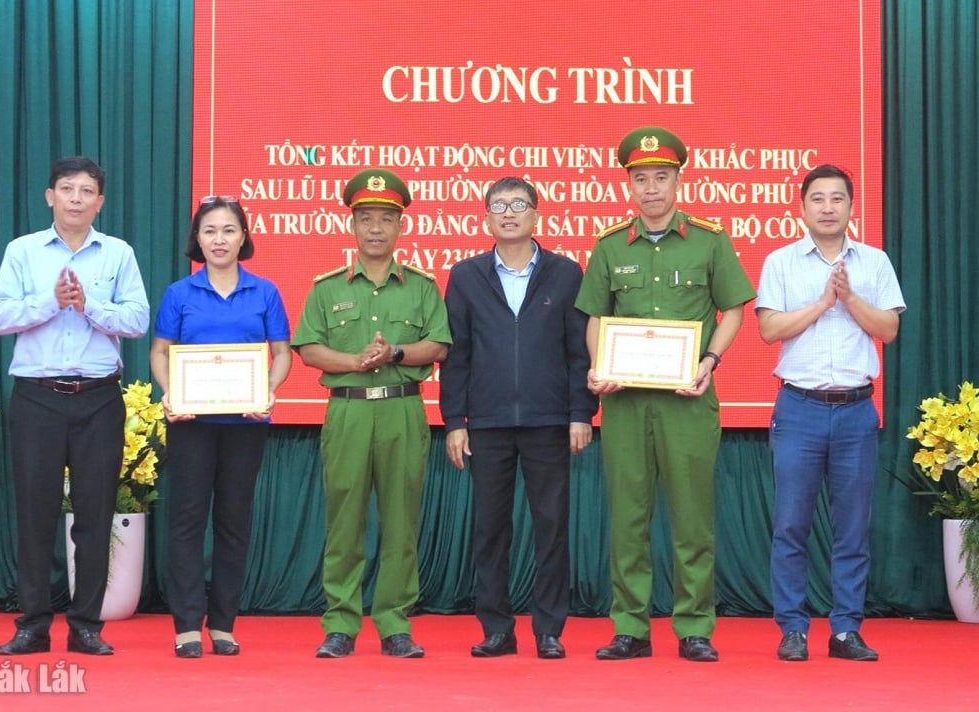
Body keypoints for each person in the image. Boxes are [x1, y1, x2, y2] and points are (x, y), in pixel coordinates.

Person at [575, 127, 756, 663]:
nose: (650, 188)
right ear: (628, 184)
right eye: (640, 178)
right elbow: (594, 317)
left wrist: (708, 362)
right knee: (628, 516)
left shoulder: (709, 239)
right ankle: (629, 626)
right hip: (626, 402)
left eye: (661, 176)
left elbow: (734, 310)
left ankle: (694, 626)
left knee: (692, 516)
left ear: (678, 179)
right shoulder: (609, 245)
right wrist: (598, 366)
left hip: (688, 396)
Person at [0, 156, 150, 656]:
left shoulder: (118, 254)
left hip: (98, 399)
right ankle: (33, 624)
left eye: (86, 191)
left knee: (95, 516)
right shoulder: (23, 252)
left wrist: (88, 307)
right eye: (67, 189)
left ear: (100, 202)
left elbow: (138, 320)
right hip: (37, 398)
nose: (76, 198)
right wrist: (50, 302)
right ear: (49, 196)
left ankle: (85, 625)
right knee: (35, 514)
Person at [292, 168, 451, 659]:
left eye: (386, 218)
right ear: (353, 226)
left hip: (403, 412)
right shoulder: (327, 288)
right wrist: (355, 362)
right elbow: (309, 349)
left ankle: (394, 623)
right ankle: (340, 623)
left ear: (401, 226)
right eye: (366, 219)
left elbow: (440, 345)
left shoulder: (421, 286)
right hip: (349, 414)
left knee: (401, 522)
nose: (376, 228)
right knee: (344, 521)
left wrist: (395, 354)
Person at [440, 176, 597, 660]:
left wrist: (580, 414)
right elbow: (457, 355)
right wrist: (454, 421)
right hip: (485, 422)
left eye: (519, 204)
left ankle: (549, 629)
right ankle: (496, 628)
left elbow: (577, 353)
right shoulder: (465, 276)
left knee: (551, 527)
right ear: (486, 216)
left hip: (549, 420)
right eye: (499, 205)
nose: (509, 213)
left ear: (536, 215)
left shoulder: (566, 273)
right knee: (490, 528)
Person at [756, 164, 905, 662]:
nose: (826, 207)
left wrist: (849, 297)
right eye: (816, 199)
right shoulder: (780, 261)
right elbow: (770, 330)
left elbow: (887, 330)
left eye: (836, 199)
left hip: (855, 413)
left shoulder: (875, 262)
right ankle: (793, 628)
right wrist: (823, 303)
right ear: (801, 208)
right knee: (791, 526)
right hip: (798, 409)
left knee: (852, 527)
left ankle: (845, 630)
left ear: (850, 207)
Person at [149, 195, 292, 658]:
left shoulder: (265, 291)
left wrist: (268, 390)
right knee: (188, 521)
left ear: (243, 237)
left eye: (229, 230)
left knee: (234, 522)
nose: (219, 239)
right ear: (198, 239)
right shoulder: (179, 293)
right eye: (210, 231)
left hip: (246, 423)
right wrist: (170, 393)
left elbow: (283, 353)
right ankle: (188, 624)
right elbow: (159, 351)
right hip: (191, 423)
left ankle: (225, 624)